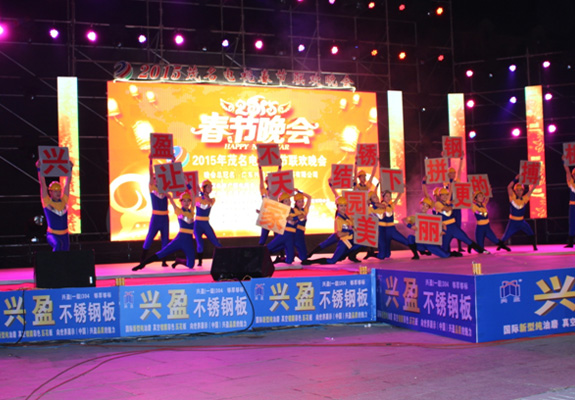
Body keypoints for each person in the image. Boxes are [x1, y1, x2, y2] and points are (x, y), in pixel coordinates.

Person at [132, 192, 196, 271]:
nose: (186, 203)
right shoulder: (179, 211)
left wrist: (190, 187)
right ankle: (142, 264)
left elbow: (193, 197)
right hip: (180, 239)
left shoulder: (192, 211)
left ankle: (179, 261)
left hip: (189, 241)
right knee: (162, 253)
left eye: (188, 201)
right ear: (181, 202)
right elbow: (172, 202)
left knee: (191, 265)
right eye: (184, 201)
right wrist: (169, 197)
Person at [424, 181, 486, 255]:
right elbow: (428, 196)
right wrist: (423, 183)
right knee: (445, 250)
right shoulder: (435, 204)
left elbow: (450, 192)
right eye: (440, 195)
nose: (437, 197)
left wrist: (451, 181)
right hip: (445, 228)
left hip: (453, 226)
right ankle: (450, 252)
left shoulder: (446, 202)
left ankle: (480, 250)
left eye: (445, 195)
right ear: (438, 195)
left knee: (467, 239)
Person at [303, 196, 363, 265]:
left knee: (362, 244)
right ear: (338, 207)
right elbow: (339, 234)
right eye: (341, 206)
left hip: (349, 241)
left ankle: (350, 256)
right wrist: (350, 231)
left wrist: (353, 228)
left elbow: (351, 226)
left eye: (345, 205)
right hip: (344, 241)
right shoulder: (338, 219)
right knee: (331, 258)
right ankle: (310, 260)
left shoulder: (348, 217)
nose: (343, 207)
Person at [371, 189, 419, 260]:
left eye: (389, 196)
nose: (388, 198)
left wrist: (401, 191)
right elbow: (376, 205)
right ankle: (372, 254)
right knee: (386, 255)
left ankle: (416, 254)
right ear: (383, 197)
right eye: (386, 196)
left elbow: (396, 199)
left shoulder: (391, 205)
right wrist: (372, 202)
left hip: (392, 230)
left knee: (405, 241)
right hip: (384, 231)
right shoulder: (380, 205)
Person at [140, 155, 170, 267]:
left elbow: (171, 174)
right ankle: (142, 259)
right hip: (156, 217)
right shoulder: (152, 188)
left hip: (165, 218)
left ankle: (164, 261)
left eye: (157, 177)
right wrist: (150, 161)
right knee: (150, 237)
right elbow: (150, 172)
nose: (155, 179)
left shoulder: (165, 188)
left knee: (165, 239)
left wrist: (173, 162)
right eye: (153, 177)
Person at [37, 160, 72, 251]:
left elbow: (67, 184)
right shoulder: (47, 202)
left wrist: (70, 168)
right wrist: (39, 169)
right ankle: (53, 260)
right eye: (55, 191)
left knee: (65, 253)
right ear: (50, 192)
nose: (58, 193)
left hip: (65, 235)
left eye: (59, 191)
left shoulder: (64, 200)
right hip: (52, 234)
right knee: (57, 245)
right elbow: (43, 184)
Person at [498, 175, 538, 251]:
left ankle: (534, 246)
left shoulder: (525, 198)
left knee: (530, 232)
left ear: (523, 191)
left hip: (521, 221)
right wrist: (515, 179)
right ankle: (500, 246)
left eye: (521, 190)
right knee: (505, 236)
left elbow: (532, 189)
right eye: (518, 190)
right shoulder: (512, 197)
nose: (519, 192)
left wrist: (537, 180)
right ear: (515, 191)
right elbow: (509, 187)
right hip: (512, 222)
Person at [194, 179, 222, 266]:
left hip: (205, 224)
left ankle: (223, 258)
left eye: (211, 187)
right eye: (208, 187)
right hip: (197, 224)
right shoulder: (198, 199)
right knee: (200, 244)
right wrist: (187, 183)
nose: (210, 188)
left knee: (216, 242)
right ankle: (200, 262)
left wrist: (201, 193)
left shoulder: (212, 200)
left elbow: (207, 202)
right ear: (204, 188)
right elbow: (192, 193)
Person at [257, 158, 282, 245]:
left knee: (278, 238)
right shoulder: (264, 191)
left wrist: (279, 167)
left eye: (271, 180)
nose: (269, 182)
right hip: (267, 215)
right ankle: (260, 252)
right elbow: (261, 179)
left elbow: (278, 176)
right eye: (267, 181)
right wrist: (259, 168)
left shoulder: (276, 190)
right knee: (263, 239)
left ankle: (280, 253)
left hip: (276, 215)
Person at [267, 192, 297, 265]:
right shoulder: (281, 211)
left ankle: (279, 259)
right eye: (286, 201)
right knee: (269, 247)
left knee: (290, 260)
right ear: (282, 203)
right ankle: (259, 256)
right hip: (284, 234)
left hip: (291, 236)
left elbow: (297, 219)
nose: (288, 202)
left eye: (289, 200)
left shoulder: (293, 210)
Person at [293, 189, 312, 263]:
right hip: (296, 232)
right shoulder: (293, 210)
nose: (301, 203)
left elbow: (309, 197)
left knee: (303, 248)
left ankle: (298, 255)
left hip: (301, 232)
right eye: (299, 202)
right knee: (298, 245)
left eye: (302, 201)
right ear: (296, 202)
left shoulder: (305, 210)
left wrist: (300, 192)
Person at [563, 157, 575, 247]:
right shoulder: (571, 183)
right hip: (572, 206)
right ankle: (571, 242)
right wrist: (564, 160)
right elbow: (567, 171)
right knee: (572, 223)